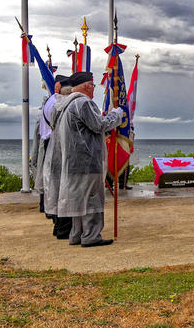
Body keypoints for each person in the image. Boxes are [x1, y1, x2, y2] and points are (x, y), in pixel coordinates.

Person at [54, 71, 124, 247]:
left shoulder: (66, 104)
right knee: (92, 199)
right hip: (87, 161)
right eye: (93, 85)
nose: (94, 89)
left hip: (73, 162)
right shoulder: (83, 103)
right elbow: (99, 125)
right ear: (86, 86)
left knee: (78, 201)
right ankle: (91, 235)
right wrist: (117, 114)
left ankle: (77, 234)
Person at [42, 76, 74, 239]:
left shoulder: (51, 101)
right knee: (64, 188)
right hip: (60, 145)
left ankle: (58, 224)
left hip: (50, 144)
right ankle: (63, 227)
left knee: (55, 187)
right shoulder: (61, 104)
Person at [30, 74, 67, 215]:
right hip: (53, 142)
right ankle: (50, 208)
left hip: (45, 142)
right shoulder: (57, 103)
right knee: (54, 177)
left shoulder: (49, 101)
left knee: (47, 175)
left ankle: (44, 205)